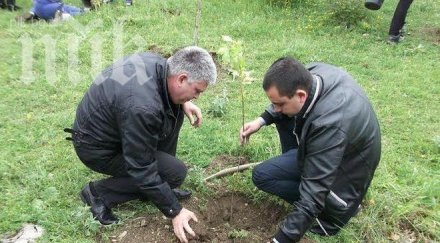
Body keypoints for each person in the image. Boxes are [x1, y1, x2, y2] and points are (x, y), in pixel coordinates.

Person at [65, 46, 217, 243]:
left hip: (115, 129)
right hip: (97, 147)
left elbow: (156, 98)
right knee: (174, 173)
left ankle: (160, 185)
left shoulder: (160, 67)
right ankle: (98, 194)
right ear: (181, 78)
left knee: (176, 108)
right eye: (196, 91)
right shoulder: (142, 106)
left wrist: (184, 101)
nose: (197, 97)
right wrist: (174, 211)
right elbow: (141, 166)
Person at [240, 57, 381, 242]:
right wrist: (263, 119)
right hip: (331, 153)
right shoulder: (312, 74)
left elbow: (315, 192)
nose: (276, 108)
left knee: (263, 176)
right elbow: (283, 100)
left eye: (279, 104)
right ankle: (303, 176)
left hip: (342, 184)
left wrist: (280, 240)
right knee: (284, 117)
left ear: (301, 96)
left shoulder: (329, 125)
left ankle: (335, 214)